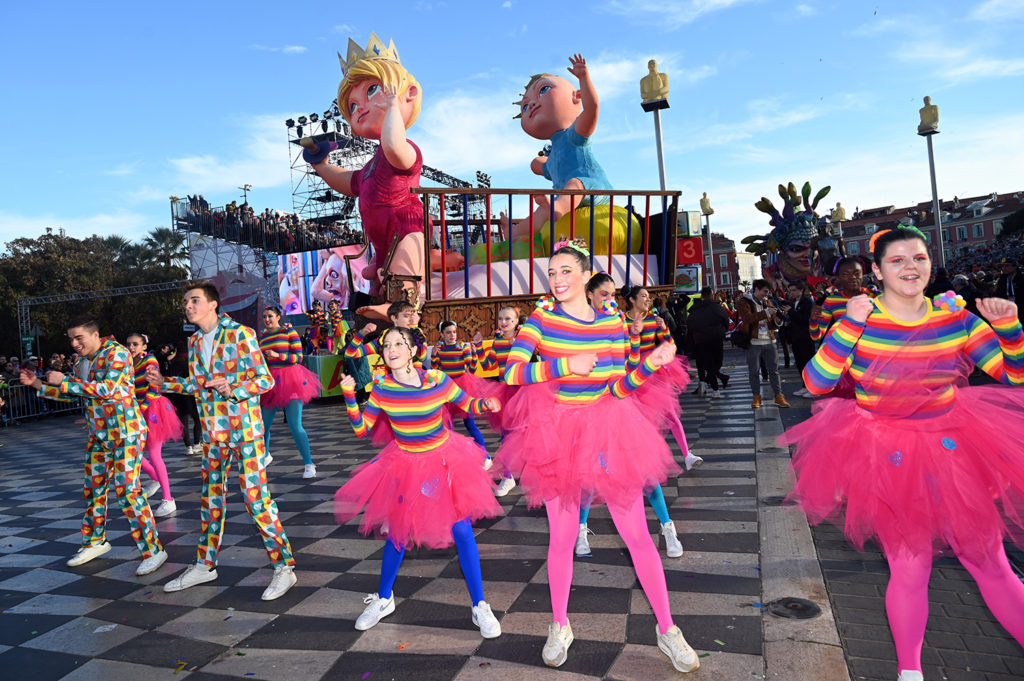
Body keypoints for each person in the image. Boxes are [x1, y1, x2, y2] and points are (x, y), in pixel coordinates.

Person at [784, 226, 1024, 681]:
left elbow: (1014, 374)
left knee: (989, 561)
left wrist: (1009, 325)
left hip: (954, 448)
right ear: (877, 270)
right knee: (910, 567)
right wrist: (850, 326)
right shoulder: (859, 320)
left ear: (930, 263)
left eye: (918, 258)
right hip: (886, 453)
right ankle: (909, 672)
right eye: (897, 260)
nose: (910, 267)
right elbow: (815, 384)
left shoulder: (956, 319)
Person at [496, 238, 700, 673]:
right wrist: (563, 367)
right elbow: (511, 371)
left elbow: (618, 385)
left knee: (637, 535)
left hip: (610, 429)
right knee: (563, 538)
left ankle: (668, 629)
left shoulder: (611, 321)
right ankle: (559, 624)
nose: (557, 279)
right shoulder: (540, 320)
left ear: (587, 275)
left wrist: (651, 365)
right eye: (552, 272)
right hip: (558, 435)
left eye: (566, 271)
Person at [335, 327, 503, 638]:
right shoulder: (382, 388)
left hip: (443, 461)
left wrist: (488, 404)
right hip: (405, 465)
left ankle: (480, 605)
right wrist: (349, 395)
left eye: (399, 343)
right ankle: (384, 599)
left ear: (413, 351)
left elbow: (468, 403)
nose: (391, 348)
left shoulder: (437, 379)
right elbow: (361, 430)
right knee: (399, 531)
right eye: (386, 345)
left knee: (461, 528)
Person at [147, 281, 297, 601]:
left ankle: (284, 567)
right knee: (211, 502)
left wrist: (234, 388)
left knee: (256, 501)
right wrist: (167, 382)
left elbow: (265, 380)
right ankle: (205, 564)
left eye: (194, 300)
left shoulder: (240, 334)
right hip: (214, 436)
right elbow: (200, 386)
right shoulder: (195, 340)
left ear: (213, 304)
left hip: (245, 433)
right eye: (186, 301)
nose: (187, 305)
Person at [21, 317, 166, 575]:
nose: (74, 344)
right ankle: (94, 542)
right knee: (93, 489)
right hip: (99, 435)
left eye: (79, 338)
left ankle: (154, 550)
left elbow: (107, 389)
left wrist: (63, 381)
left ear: (95, 335)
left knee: (127, 491)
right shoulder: (80, 362)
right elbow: (74, 393)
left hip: (126, 432)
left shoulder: (117, 353)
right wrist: (38, 385)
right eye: (71, 339)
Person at [302, 32, 427, 320]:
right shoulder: (372, 166)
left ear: (409, 94)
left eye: (372, 91)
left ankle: (404, 306)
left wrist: (393, 107)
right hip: (380, 238)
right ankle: (379, 301)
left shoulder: (405, 149)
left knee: (404, 259)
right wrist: (321, 165)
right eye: (353, 106)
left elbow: (394, 143)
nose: (361, 108)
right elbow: (348, 182)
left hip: (403, 224)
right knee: (378, 271)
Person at [574, 273, 688, 559]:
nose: (610, 300)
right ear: (589, 294)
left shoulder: (617, 325)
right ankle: (580, 530)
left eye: (613, 295)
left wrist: (635, 338)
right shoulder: (576, 327)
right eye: (604, 294)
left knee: (646, 472)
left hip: (620, 406)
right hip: (588, 410)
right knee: (590, 474)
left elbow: (631, 367)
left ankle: (667, 529)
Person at [505, 54, 614, 246]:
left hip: (593, 190)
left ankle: (558, 208)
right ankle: (515, 232)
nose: (530, 105)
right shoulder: (553, 153)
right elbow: (544, 167)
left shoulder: (574, 135)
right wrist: (536, 163)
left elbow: (592, 108)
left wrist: (583, 78)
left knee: (574, 183)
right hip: (562, 196)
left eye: (544, 89)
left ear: (576, 96)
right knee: (540, 211)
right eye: (524, 107)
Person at [621, 285, 703, 471]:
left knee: (670, 414)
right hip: (631, 374)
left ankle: (687, 455)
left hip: (654, 372)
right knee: (637, 419)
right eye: (643, 296)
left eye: (649, 297)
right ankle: (638, 460)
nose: (648, 300)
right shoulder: (621, 322)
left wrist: (664, 328)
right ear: (632, 300)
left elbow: (670, 345)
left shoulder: (653, 319)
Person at [259, 306, 321, 479]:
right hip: (271, 382)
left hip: (291, 380)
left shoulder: (289, 332)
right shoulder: (263, 336)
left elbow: (298, 358)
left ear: (278, 317)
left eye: (270, 316)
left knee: (295, 425)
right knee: (263, 426)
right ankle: (265, 455)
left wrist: (278, 356)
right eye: (264, 316)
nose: (267, 319)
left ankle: (309, 463)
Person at [126, 333, 182, 517]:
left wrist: (141, 409)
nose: (131, 347)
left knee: (154, 455)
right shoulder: (129, 364)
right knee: (134, 452)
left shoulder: (150, 360)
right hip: (139, 411)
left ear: (144, 346)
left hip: (153, 409)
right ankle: (157, 480)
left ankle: (168, 499)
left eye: (135, 344)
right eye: (129, 344)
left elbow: (154, 387)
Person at [475, 305, 520, 497]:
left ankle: (546, 480)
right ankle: (508, 476)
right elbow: (487, 365)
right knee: (506, 436)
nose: (503, 322)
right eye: (501, 319)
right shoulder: (498, 341)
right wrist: (478, 346)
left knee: (536, 437)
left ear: (517, 321)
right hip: (505, 392)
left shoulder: (525, 340)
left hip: (525, 392)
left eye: (508, 319)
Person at [431, 320, 492, 457]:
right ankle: (449, 457)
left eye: (454, 332)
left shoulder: (462, 347)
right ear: (441, 334)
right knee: (447, 425)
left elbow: (472, 369)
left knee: (469, 423)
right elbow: (435, 369)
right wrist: (434, 354)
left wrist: (474, 354)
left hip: (463, 387)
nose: (452, 335)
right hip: (446, 388)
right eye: (448, 332)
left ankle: (486, 456)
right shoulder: (440, 349)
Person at [736, 280, 790, 408]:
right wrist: (766, 313)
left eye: (768, 292)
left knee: (774, 371)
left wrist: (777, 321)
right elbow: (748, 319)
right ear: (756, 289)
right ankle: (756, 396)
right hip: (753, 342)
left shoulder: (768, 302)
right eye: (764, 291)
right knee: (754, 371)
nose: (766, 295)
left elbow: (771, 323)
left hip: (770, 340)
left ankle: (779, 396)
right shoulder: (744, 302)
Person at [687, 287, 731, 395]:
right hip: (716, 338)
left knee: (708, 364)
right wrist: (722, 331)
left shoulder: (694, 310)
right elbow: (726, 321)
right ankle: (715, 387)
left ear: (702, 296)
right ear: (712, 295)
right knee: (716, 363)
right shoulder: (718, 308)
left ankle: (709, 383)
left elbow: (690, 326)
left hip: (701, 340)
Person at [784, 282, 816, 397]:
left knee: (808, 363)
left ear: (801, 290)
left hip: (806, 337)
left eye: (793, 290)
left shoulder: (807, 302)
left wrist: (791, 312)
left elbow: (805, 319)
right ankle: (804, 386)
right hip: (795, 337)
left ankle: (813, 389)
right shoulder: (793, 303)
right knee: (800, 363)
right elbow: (794, 318)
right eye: (790, 291)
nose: (791, 293)